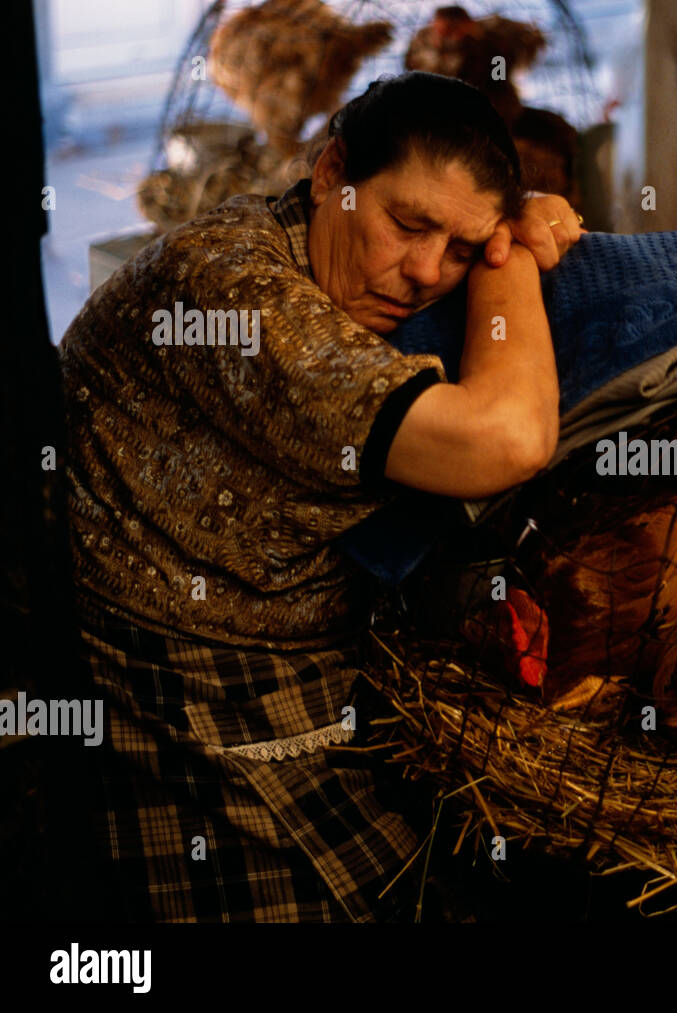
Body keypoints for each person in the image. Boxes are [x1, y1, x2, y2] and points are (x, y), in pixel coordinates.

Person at [58, 72, 582, 922]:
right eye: (406, 224)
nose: (421, 272)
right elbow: (507, 439)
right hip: (180, 690)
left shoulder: (317, 260)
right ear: (333, 172)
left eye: (457, 246)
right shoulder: (231, 290)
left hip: (294, 657)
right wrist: (506, 260)